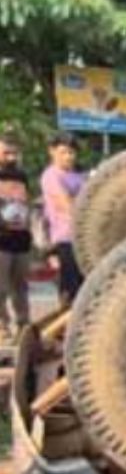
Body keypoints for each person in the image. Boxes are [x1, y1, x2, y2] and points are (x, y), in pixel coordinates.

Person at [41, 134, 85, 304]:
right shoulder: (51, 176)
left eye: (72, 152)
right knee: (70, 290)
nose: (68, 157)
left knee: (84, 287)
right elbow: (67, 205)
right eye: (63, 152)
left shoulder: (79, 175)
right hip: (65, 238)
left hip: (82, 237)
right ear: (52, 151)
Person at [0, 132, 32, 341]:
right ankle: (2, 326)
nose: (11, 157)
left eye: (14, 153)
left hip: (20, 239)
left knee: (20, 287)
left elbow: (25, 203)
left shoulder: (21, 176)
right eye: (6, 152)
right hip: (1, 240)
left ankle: (23, 325)